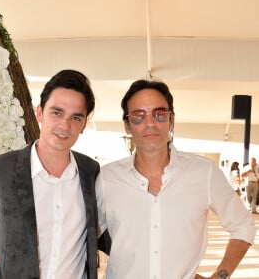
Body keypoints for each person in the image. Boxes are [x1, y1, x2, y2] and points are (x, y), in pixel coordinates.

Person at [96, 79, 256, 279]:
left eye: (159, 114)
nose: (150, 123)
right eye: (138, 116)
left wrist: (220, 276)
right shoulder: (107, 177)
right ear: (127, 126)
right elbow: (83, 236)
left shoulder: (204, 172)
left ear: (171, 121)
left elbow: (243, 225)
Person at [0, 69, 100, 279]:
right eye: (57, 112)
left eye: (76, 117)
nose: (65, 125)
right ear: (40, 112)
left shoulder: (92, 172)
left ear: (83, 124)